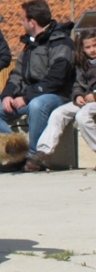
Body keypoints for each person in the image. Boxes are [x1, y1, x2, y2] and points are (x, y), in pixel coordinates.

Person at [0, 0, 75, 172]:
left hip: (56, 96)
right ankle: (20, 152)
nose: (21, 22)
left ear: (32, 22)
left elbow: (57, 77)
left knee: (37, 105)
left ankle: (34, 156)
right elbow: (17, 74)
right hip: (28, 95)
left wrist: (27, 97)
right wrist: (7, 95)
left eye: (23, 19)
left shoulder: (61, 41)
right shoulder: (30, 45)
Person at [32, 29, 96, 171]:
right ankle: (44, 153)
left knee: (82, 117)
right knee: (58, 113)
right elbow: (77, 85)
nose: (92, 50)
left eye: (95, 45)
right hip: (86, 100)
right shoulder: (82, 63)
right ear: (82, 48)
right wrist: (78, 95)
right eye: (88, 47)